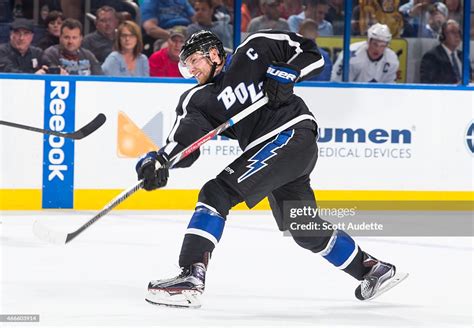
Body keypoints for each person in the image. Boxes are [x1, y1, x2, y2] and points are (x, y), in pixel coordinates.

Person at [135, 30, 407, 308]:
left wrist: (290, 71)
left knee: (216, 194)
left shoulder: (256, 48)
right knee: (303, 227)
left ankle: (192, 276)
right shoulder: (198, 100)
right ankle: (372, 269)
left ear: (214, 54)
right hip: (277, 152)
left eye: (194, 60)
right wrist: (159, 161)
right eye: (186, 65)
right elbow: (184, 144)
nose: (190, 69)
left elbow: (314, 54)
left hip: (292, 133)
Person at [331, 23, 399, 82]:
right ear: (368, 42)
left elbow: (389, 85)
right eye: (375, 44)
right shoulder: (351, 56)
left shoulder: (392, 60)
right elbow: (337, 82)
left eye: (382, 46)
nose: (377, 49)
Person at [420, 19, 467, 84]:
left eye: (458, 32)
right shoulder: (432, 56)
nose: (457, 36)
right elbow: (427, 82)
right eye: (452, 32)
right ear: (442, 36)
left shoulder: (462, 56)